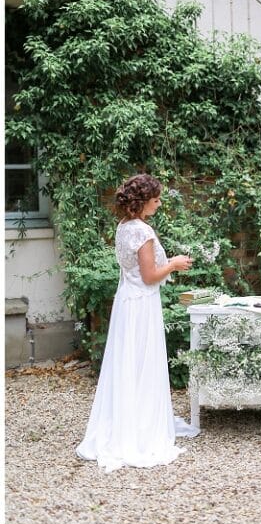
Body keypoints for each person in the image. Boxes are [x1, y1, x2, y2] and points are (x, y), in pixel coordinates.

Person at [76, 174, 199, 472]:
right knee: (141, 362)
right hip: (141, 305)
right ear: (142, 202)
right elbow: (149, 277)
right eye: (156, 200)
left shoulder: (123, 227)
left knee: (128, 364)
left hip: (127, 303)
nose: (158, 204)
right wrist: (174, 264)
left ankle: (128, 421)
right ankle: (140, 430)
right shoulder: (141, 231)